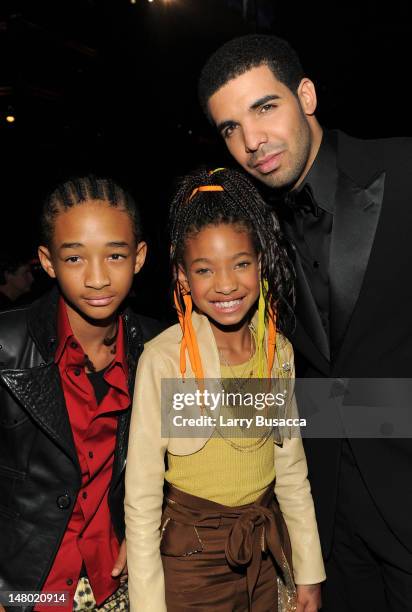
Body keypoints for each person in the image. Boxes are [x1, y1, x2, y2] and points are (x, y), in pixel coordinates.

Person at [198, 34, 412, 611]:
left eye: (265, 108)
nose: (252, 142)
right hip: (330, 526)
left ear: (307, 96)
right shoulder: (248, 234)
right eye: (230, 129)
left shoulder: (403, 168)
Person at [125, 167, 325, 612]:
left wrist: (309, 571)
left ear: (261, 262)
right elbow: (141, 496)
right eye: (204, 269)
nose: (227, 284)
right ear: (182, 277)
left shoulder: (278, 351)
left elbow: (291, 469)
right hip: (190, 565)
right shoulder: (165, 359)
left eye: (240, 263)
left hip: (263, 552)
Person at [0, 176, 161, 612]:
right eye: (74, 257)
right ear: (48, 262)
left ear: (140, 257)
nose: (96, 278)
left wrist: (154, 528)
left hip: (119, 585)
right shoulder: (6, 344)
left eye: (114, 254)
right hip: (27, 591)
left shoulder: (162, 348)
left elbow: (198, 453)